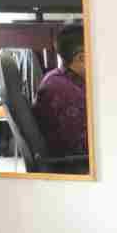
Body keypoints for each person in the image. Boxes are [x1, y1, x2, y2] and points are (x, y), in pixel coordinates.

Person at [33, 22, 88, 157]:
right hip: (76, 164)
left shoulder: (56, 77)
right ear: (81, 58)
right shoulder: (67, 93)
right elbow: (84, 146)